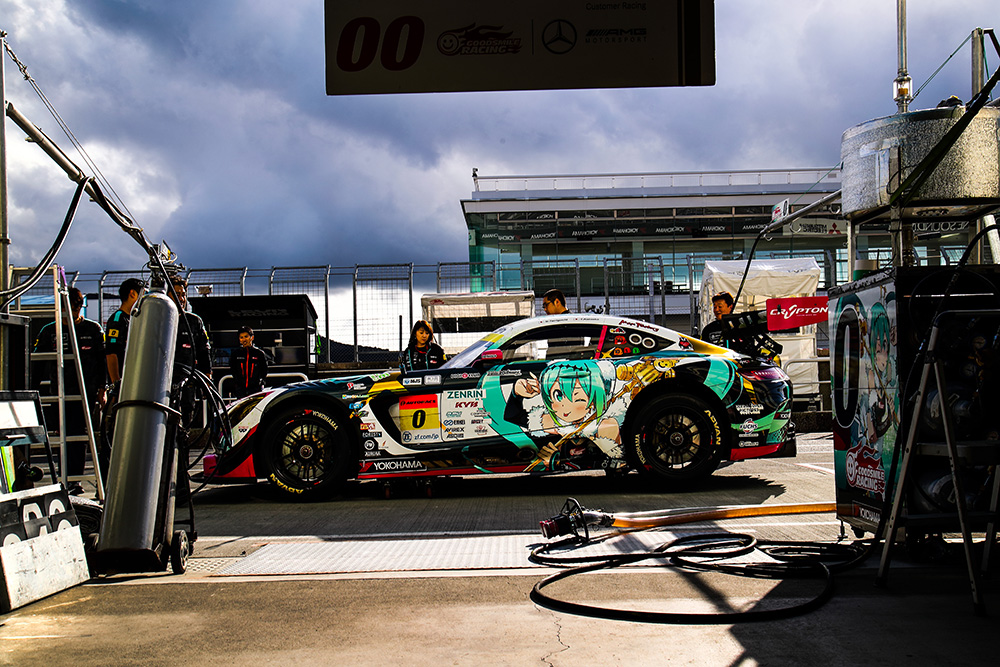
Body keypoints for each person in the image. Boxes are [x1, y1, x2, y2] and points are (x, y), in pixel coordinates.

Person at [33, 286, 106, 494]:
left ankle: (76, 480)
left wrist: (102, 389)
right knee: (62, 435)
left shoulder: (93, 329)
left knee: (80, 435)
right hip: (59, 392)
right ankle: (64, 478)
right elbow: (37, 365)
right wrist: (32, 392)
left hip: (86, 392)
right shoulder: (50, 331)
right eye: (69, 308)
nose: (73, 312)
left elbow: (102, 361)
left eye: (76, 307)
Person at [105, 277, 146, 386]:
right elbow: (111, 353)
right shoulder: (118, 319)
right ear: (132, 294)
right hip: (123, 382)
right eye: (143, 294)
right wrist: (116, 383)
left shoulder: (135, 317)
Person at [229, 325, 269, 398]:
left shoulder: (259, 353)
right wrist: (237, 384)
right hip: (240, 390)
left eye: (246, 336)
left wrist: (261, 382)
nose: (244, 339)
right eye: (241, 337)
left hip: (256, 390)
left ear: (252, 337)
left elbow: (264, 370)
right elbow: (233, 370)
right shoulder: (235, 354)